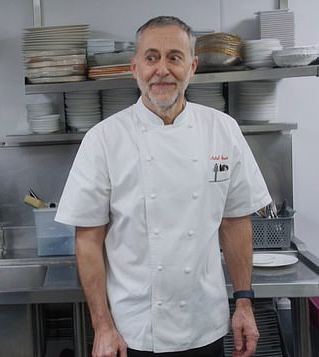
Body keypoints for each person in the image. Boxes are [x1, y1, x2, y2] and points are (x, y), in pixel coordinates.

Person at [55, 16, 270, 357]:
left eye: (174, 57)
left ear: (193, 66)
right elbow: (88, 239)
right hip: (133, 330)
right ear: (134, 66)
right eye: (152, 57)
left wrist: (244, 301)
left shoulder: (223, 130)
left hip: (206, 323)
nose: (162, 70)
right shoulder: (103, 140)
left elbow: (235, 221)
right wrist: (102, 326)